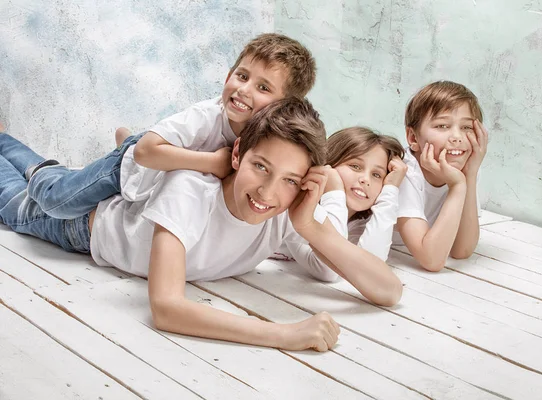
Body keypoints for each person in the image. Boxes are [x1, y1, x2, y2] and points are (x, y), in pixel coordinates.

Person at [0, 99, 403, 353]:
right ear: (237, 153)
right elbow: (167, 309)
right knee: (14, 199)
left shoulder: (288, 207)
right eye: (261, 167)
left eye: (290, 179)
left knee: (42, 172)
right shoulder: (191, 188)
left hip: (109, 207)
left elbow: (388, 291)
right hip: (81, 228)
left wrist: (312, 229)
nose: (268, 191)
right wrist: (283, 334)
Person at [24, 33, 317, 219]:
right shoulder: (206, 117)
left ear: (285, 106)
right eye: (242, 77)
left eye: (263, 87)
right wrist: (213, 162)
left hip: (157, 171)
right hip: (131, 164)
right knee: (56, 204)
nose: (244, 90)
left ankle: (126, 137)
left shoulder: (274, 144)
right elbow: (145, 152)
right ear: (229, 75)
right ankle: (41, 170)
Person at [390, 81, 488, 271]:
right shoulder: (404, 172)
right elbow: (432, 260)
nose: (457, 137)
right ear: (412, 138)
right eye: (442, 126)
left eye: (467, 127)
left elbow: (462, 250)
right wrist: (459, 186)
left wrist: (469, 175)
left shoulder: (464, 169)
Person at [273, 127, 407, 264]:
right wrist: (334, 191)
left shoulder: (359, 225)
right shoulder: (300, 207)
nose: (365, 179)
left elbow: (371, 268)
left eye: (377, 175)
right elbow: (326, 271)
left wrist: (391, 189)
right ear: (329, 164)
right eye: (355, 166)